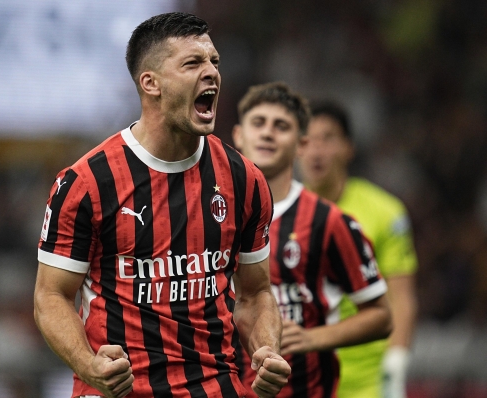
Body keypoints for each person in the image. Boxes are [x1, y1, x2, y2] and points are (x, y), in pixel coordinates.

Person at [33, 12, 291, 398]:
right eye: (193, 63)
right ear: (150, 83)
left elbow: (255, 294)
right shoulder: (87, 182)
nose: (212, 73)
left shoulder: (244, 179)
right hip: (118, 391)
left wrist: (266, 350)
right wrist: (90, 366)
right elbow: (50, 297)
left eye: (214, 62)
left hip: (214, 387)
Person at [231, 82, 393, 398]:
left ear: (301, 144)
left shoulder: (329, 221)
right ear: (238, 135)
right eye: (258, 123)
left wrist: (312, 338)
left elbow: (382, 316)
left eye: (281, 126)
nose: (267, 133)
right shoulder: (214, 216)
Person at [298, 100, 418, 398]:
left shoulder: (385, 212)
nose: (316, 150)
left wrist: (396, 365)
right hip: (304, 376)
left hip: (368, 382)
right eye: (307, 140)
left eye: (328, 138)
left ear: (348, 148)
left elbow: (401, 298)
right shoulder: (277, 214)